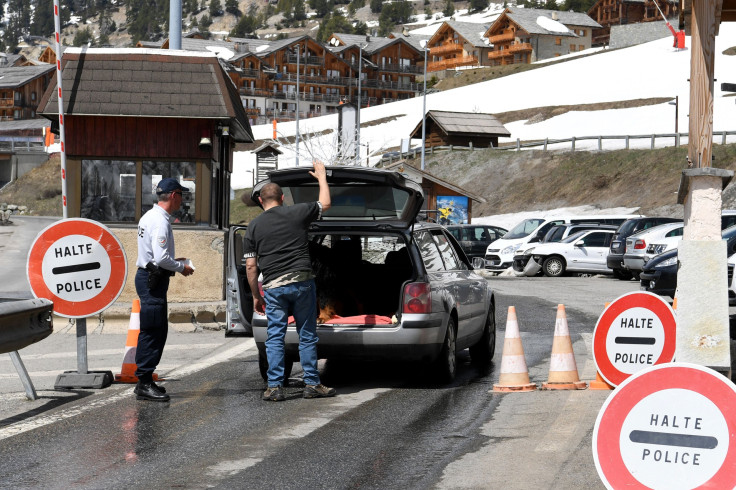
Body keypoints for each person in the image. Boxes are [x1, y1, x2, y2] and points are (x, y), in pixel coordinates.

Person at [244, 160, 336, 402]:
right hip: (302, 282)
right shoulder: (297, 212)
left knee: (275, 335)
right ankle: (312, 384)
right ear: (283, 198)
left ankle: (274, 387)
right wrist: (321, 177)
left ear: (261, 201)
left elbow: (251, 266)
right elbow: (325, 203)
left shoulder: (253, 227)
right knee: (307, 334)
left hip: (274, 287)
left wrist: (256, 295)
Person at [134, 177, 194, 402]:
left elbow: (156, 255)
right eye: (181, 195)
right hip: (153, 279)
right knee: (154, 330)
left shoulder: (150, 216)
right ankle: (144, 382)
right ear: (173, 195)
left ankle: (145, 379)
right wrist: (181, 267)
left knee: (155, 328)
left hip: (149, 276)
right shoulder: (160, 221)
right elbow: (160, 257)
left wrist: (171, 262)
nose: (182, 200)